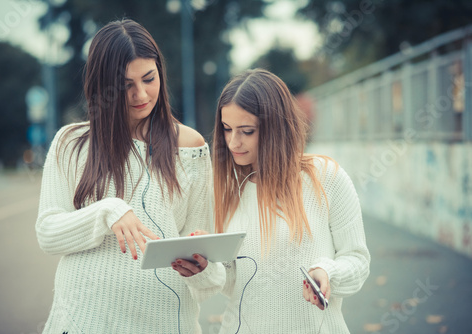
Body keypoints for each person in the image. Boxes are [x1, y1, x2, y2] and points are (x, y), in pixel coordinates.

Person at [36, 19, 224, 334]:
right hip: (85, 321)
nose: (141, 94)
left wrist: (201, 271)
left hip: (164, 322)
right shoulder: (71, 142)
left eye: (149, 79)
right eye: (125, 85)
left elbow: (210, 271)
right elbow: (48, 233)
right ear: (101, 86)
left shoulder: (191, 147)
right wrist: (107, 211)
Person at [174, 69, 370, 333]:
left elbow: (357, 260)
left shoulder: (326, 177)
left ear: (276, 127)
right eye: (227, 128)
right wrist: (204, 269)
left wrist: (327, 272)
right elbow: (231, 282)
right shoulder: (222, 189)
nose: (233, 142)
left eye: (247, 131)